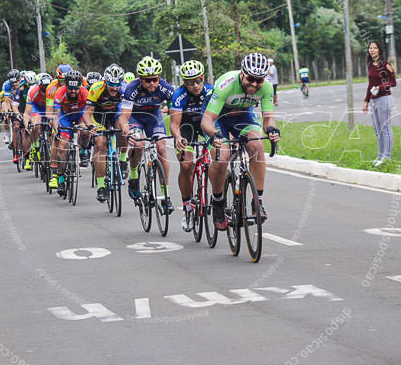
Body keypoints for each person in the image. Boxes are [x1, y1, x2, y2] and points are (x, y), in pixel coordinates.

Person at [201, 52, 280, 228]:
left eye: (259, 80)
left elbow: (268, 118)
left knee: (257, 146)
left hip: (243, 115)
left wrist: (273, 130)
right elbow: (206, 121)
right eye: (251, 79)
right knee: (222, 157)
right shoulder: (226, 85)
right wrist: (214, 135)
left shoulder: (266, 87)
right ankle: (218, 201)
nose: (254, 84)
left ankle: (257, 201)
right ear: (242, 73)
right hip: (217, 117)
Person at [118, 56, 175, 212]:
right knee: (139, 143)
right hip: (135, 117)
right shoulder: (131, 89)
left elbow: (176, 113)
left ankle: (166, 196)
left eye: (154, 79)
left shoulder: (166, 88)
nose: (151, 83)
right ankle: (134, 175)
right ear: (140, 79)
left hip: (153, 117)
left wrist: (178, 131)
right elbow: (124, 116)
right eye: (147, 80)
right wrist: (128, 132)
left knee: (162, 147)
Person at [169, 60, 213, 231]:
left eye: (198, 80)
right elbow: (174, 124)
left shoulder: (211, 91)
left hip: (205, 126)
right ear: (183, 82)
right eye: (189, 82)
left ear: (203, 78)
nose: (195, 85)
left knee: (219, 156)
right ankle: (187, 206)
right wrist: (178, 137)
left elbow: (220, 117)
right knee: (186, 165)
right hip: (186, 128)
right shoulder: (179, 95)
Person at [83, 64, 126, 203]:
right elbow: (87, 112)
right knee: (100, 144)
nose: (114, 88)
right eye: (111, 84)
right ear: (105, 81)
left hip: (115, 114)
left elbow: (128, 111)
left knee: (123, 129)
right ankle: (101, 186)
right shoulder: (96, 88)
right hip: (99, 116)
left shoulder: (125, 88)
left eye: (117, 85)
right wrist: (90, 125)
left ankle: (123, 160)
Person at [47, 70, 89, 194]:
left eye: (76, 89)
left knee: (85, 131)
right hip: (65, 117)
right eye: (70, 88)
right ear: (66, 85)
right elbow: (55, 115)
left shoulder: (85, 93)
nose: (73, 91)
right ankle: (60, 178)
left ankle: (83, 151)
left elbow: (88, 114)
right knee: (62, 145)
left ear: (80, 86)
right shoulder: (60, 93)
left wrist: (85, 126)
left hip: (80, 115)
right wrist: (57, 128)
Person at [362, 41, 397, 167]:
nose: (372, 50)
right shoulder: (370, 65)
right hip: (373, 100)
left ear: (379, 50)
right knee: (377, 130)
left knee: (385, 128)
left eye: (374, 48)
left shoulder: (386, 64)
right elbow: (370, 84)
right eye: (370, 48)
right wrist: (366, 101)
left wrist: (380, 87)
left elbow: (393, 82)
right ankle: (380, 155)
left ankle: (386, 156)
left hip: (384, 98)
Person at [22, 73, 52, 171]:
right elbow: (26, 113)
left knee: (54, 129)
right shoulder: (33, 91)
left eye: (47, 91)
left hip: (50, 108)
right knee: (36, 126)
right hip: (37, 108)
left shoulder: (55, 91)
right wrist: (27, 126)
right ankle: (35, 147)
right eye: (43, 90)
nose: (44, 93)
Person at [1, 70, 22, 144]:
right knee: (6, 115)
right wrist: (6, 112)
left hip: (20, 100)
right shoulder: (7, 85)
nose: (15, 84)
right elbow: (6, 101)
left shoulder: (23, 82)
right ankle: (7, 134)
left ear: (20, 79)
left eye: (16, 82)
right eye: (12, 83)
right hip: (11, 100)